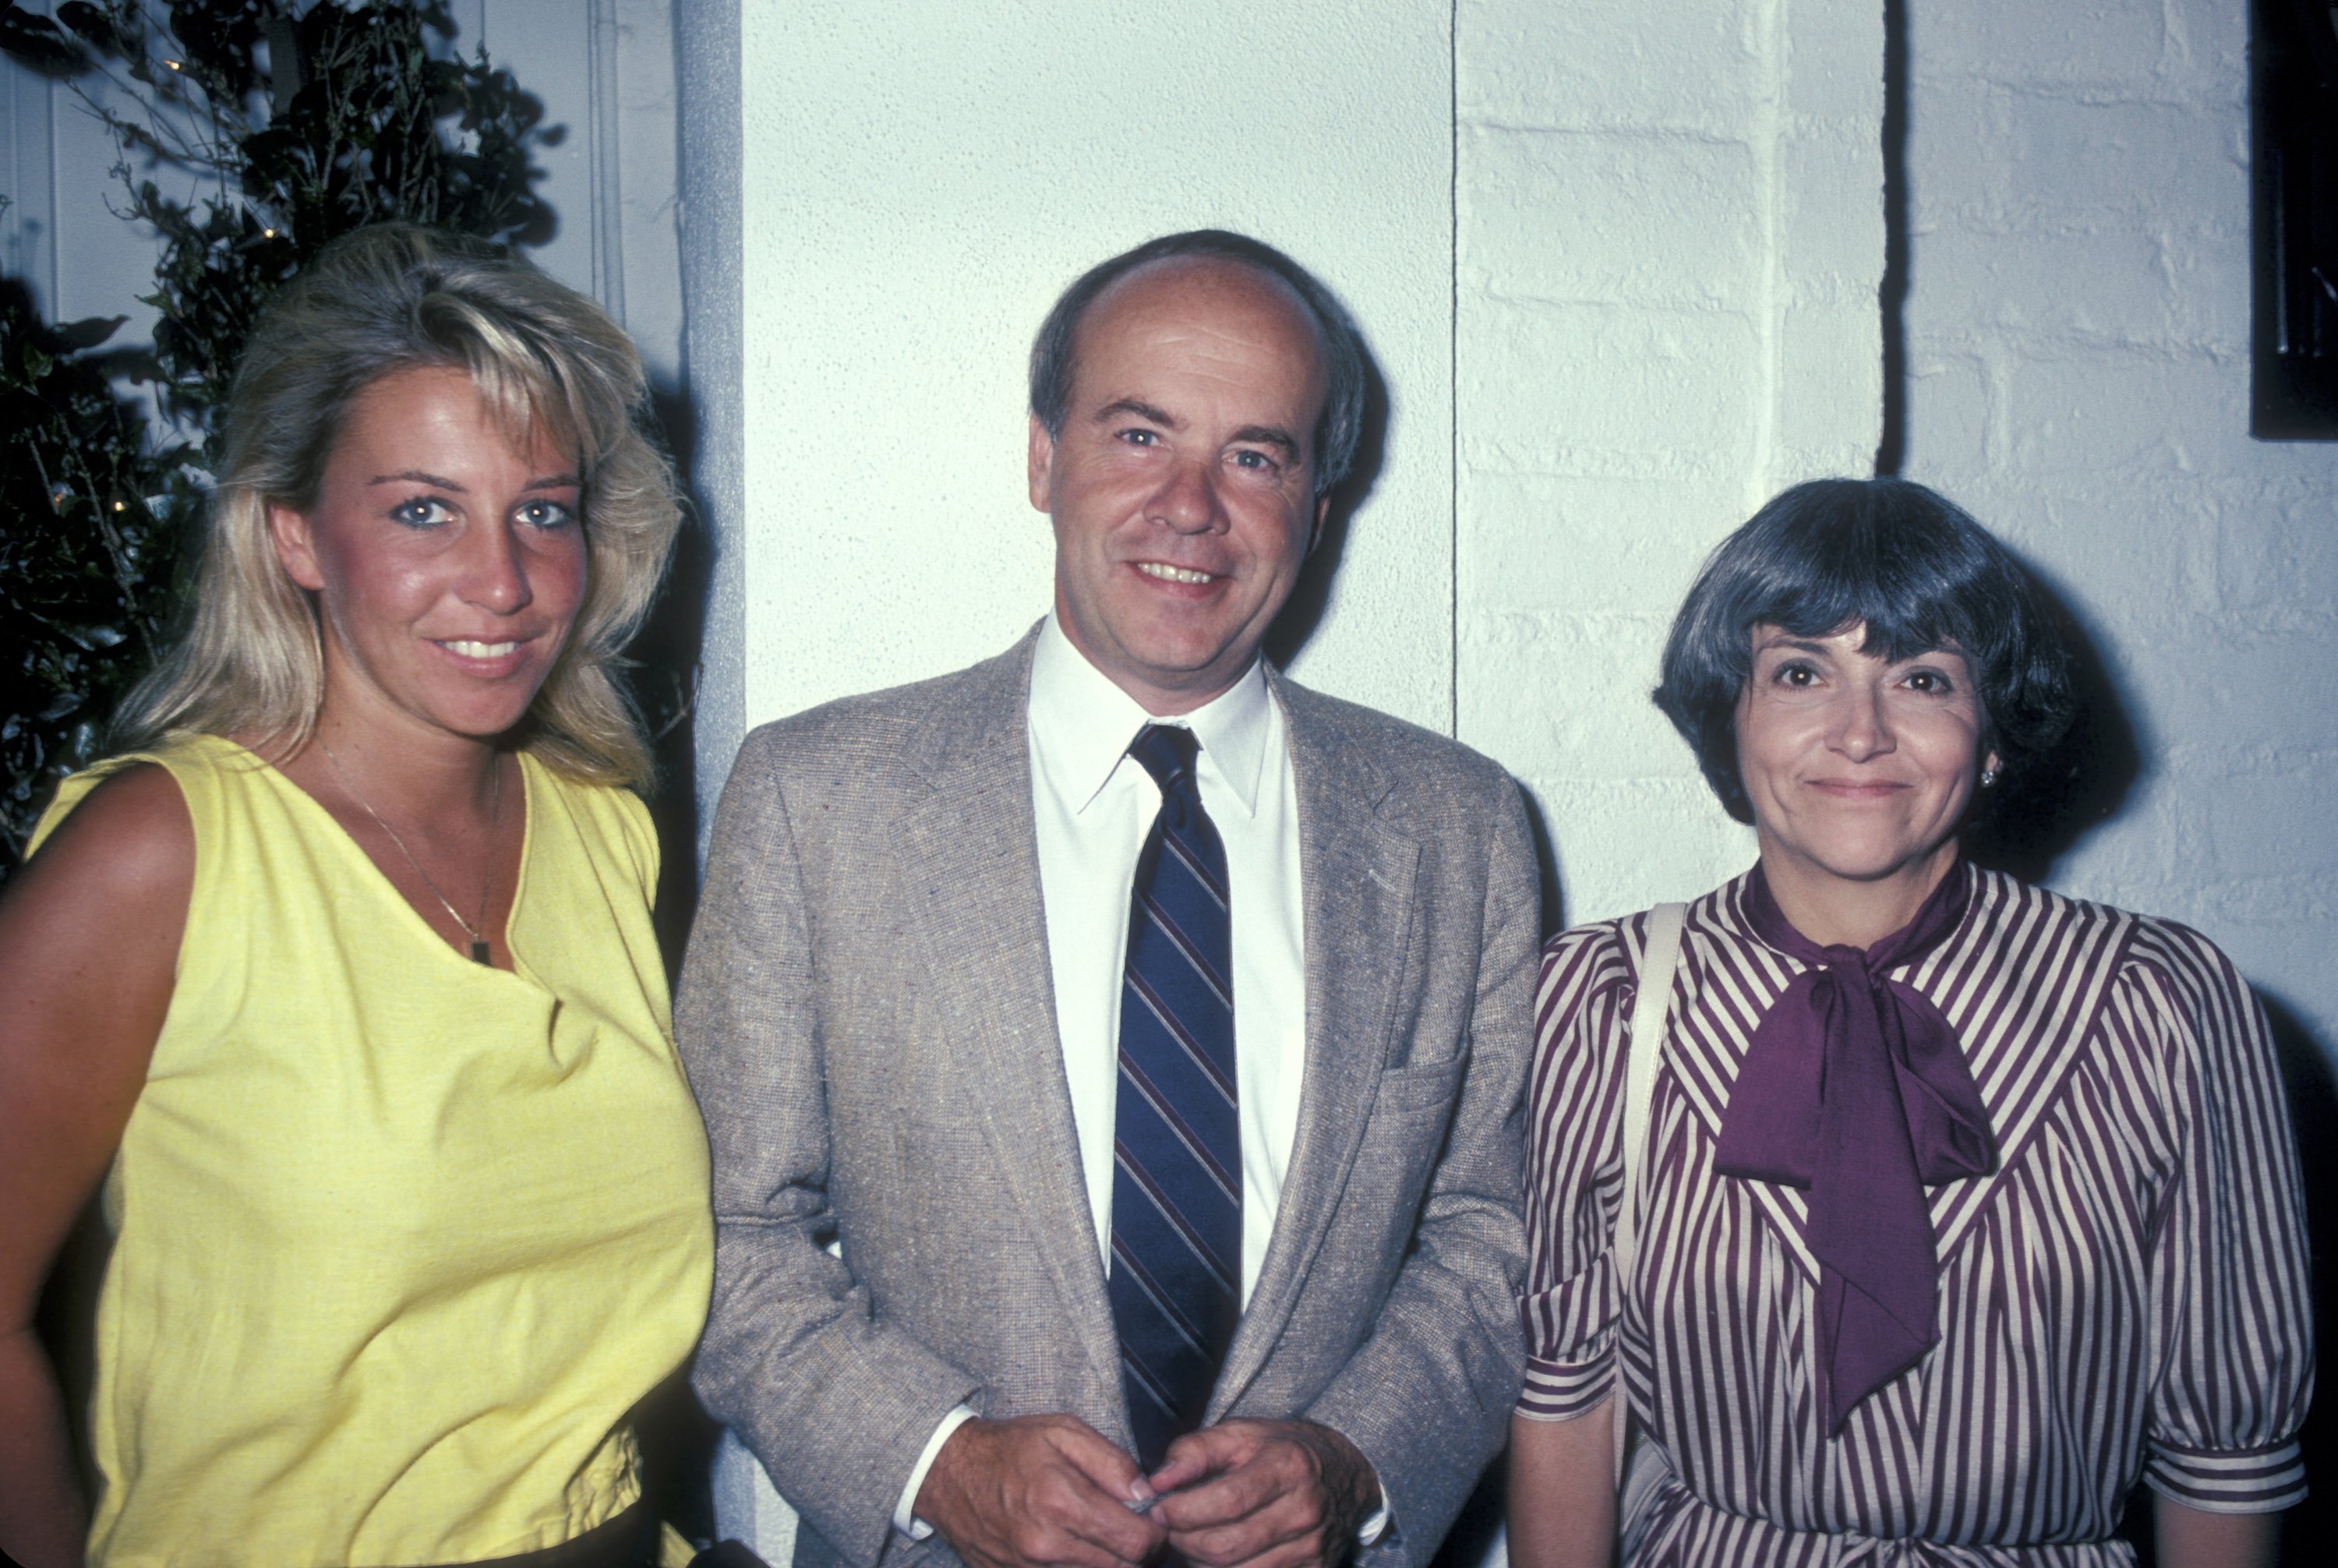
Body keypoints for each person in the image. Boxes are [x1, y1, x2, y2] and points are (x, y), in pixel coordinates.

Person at [680, 229, 1536, 1568]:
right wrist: (935, 1460)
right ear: (1043, 459)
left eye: (1257, 455)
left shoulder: (1459, 829)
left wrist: (1358, 1455)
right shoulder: (815, 799)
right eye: (1140, 436)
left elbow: (1500, 1227)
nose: (1192, 505)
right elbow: (725, 1230)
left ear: (1317, 505)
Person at [0, 224, 711, 1568]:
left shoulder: (606, 830)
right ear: (295, 537)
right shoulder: (163, 853)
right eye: (422, 509)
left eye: (541, 511)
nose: (502, 584)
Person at [1506, 478, 2313, 1567]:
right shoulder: (1602, 997)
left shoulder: (2160, 1001)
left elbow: (2225, 1452)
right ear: (1729, 717)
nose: (1860, 732)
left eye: (1922, 678)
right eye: (1800, 672)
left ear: (1990, 734)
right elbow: (1569, 1400)